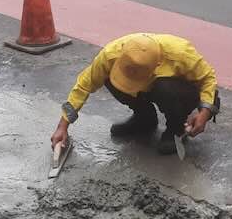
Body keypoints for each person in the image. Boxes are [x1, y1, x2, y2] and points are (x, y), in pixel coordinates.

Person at [50, 33, 219, 156]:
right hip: (151, 88)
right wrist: (62, 127)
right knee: (108, 77)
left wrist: (204, 113)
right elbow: (84, 85)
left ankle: (175, 128)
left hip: (176, 90)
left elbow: (208, 79)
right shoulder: (111, 54)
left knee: (165, 88)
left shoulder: (180, 53)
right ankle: (144, 119)